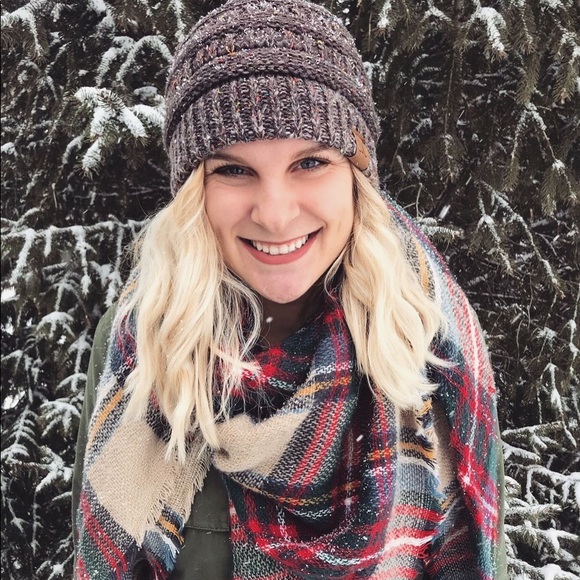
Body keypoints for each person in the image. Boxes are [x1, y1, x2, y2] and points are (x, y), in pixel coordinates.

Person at [72, 0, 507, 578]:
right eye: (233, 170)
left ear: (355, 177)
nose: (275, 214)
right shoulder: (143, 343)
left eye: (310, 163)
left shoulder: (430, 338)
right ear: (192, 193)